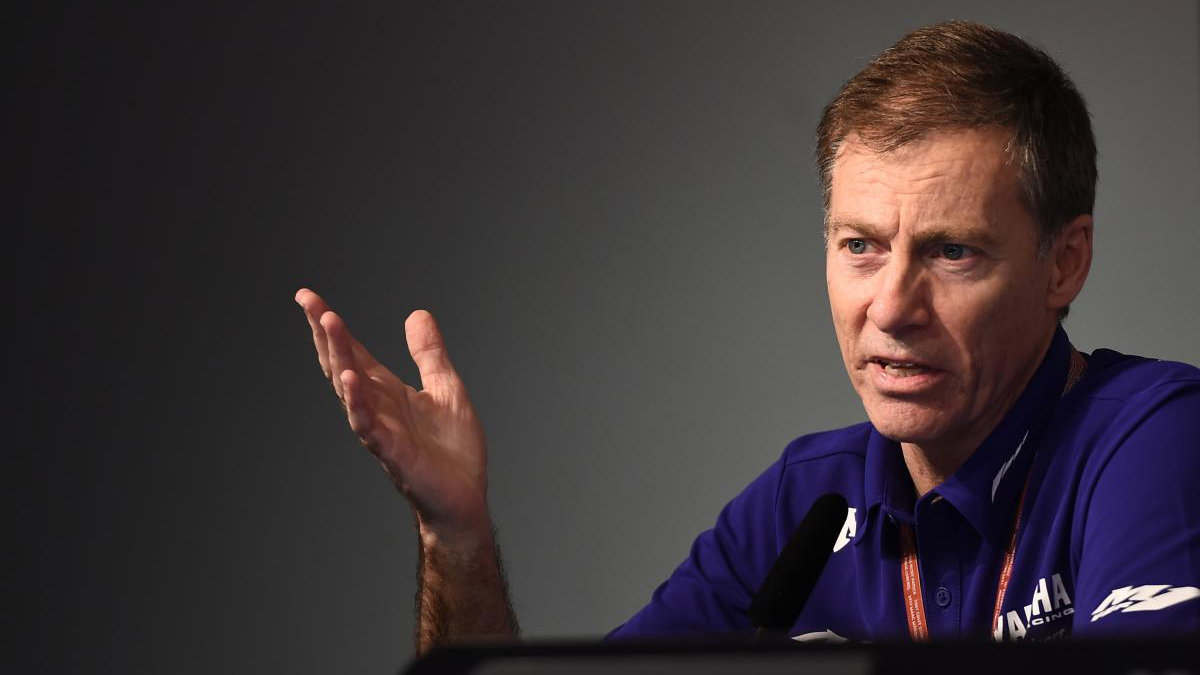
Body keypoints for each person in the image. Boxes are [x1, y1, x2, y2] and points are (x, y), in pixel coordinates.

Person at [295, 21, 1200, 650]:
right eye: (860, 246)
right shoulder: (802, 501)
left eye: (951, 251)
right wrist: (457, 537)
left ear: (1064, 263)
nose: (891, 307)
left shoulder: (1153, 435)